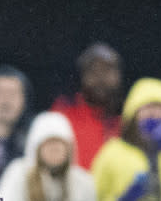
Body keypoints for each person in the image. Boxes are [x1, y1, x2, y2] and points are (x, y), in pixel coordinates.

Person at [51, 42, 124, 171]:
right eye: (94, 71)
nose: (101, 79)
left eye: (107, 70)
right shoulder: (63, 114)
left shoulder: (129, 119)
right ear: (83, 76)